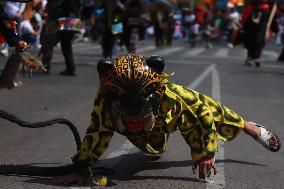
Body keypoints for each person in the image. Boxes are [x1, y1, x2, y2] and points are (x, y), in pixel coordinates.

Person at [56, 54, 281, 186]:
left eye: (138, 113)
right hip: (148, 134)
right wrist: (83, 166)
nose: (133, 118)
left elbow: (202, 120)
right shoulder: (105, 100)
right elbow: (97, 132)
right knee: (155, 148)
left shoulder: (174, 98)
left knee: (208, 106)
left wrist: (205, 152)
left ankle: (248, 126)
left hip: (164, 120)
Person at [40, 0, 81, 75]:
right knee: (66, 46)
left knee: (49, 44)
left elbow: (53, 7)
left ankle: (46, 66)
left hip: (59, 21)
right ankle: (70, 68)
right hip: (72, 22)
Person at [242, 0, 271, 67]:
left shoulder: (266, 8)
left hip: (261, 27)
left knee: (259, 41)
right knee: (251, 41)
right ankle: (250, 57)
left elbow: (268, 18)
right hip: (251, 26)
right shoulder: (252, 7)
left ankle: (257, 58)